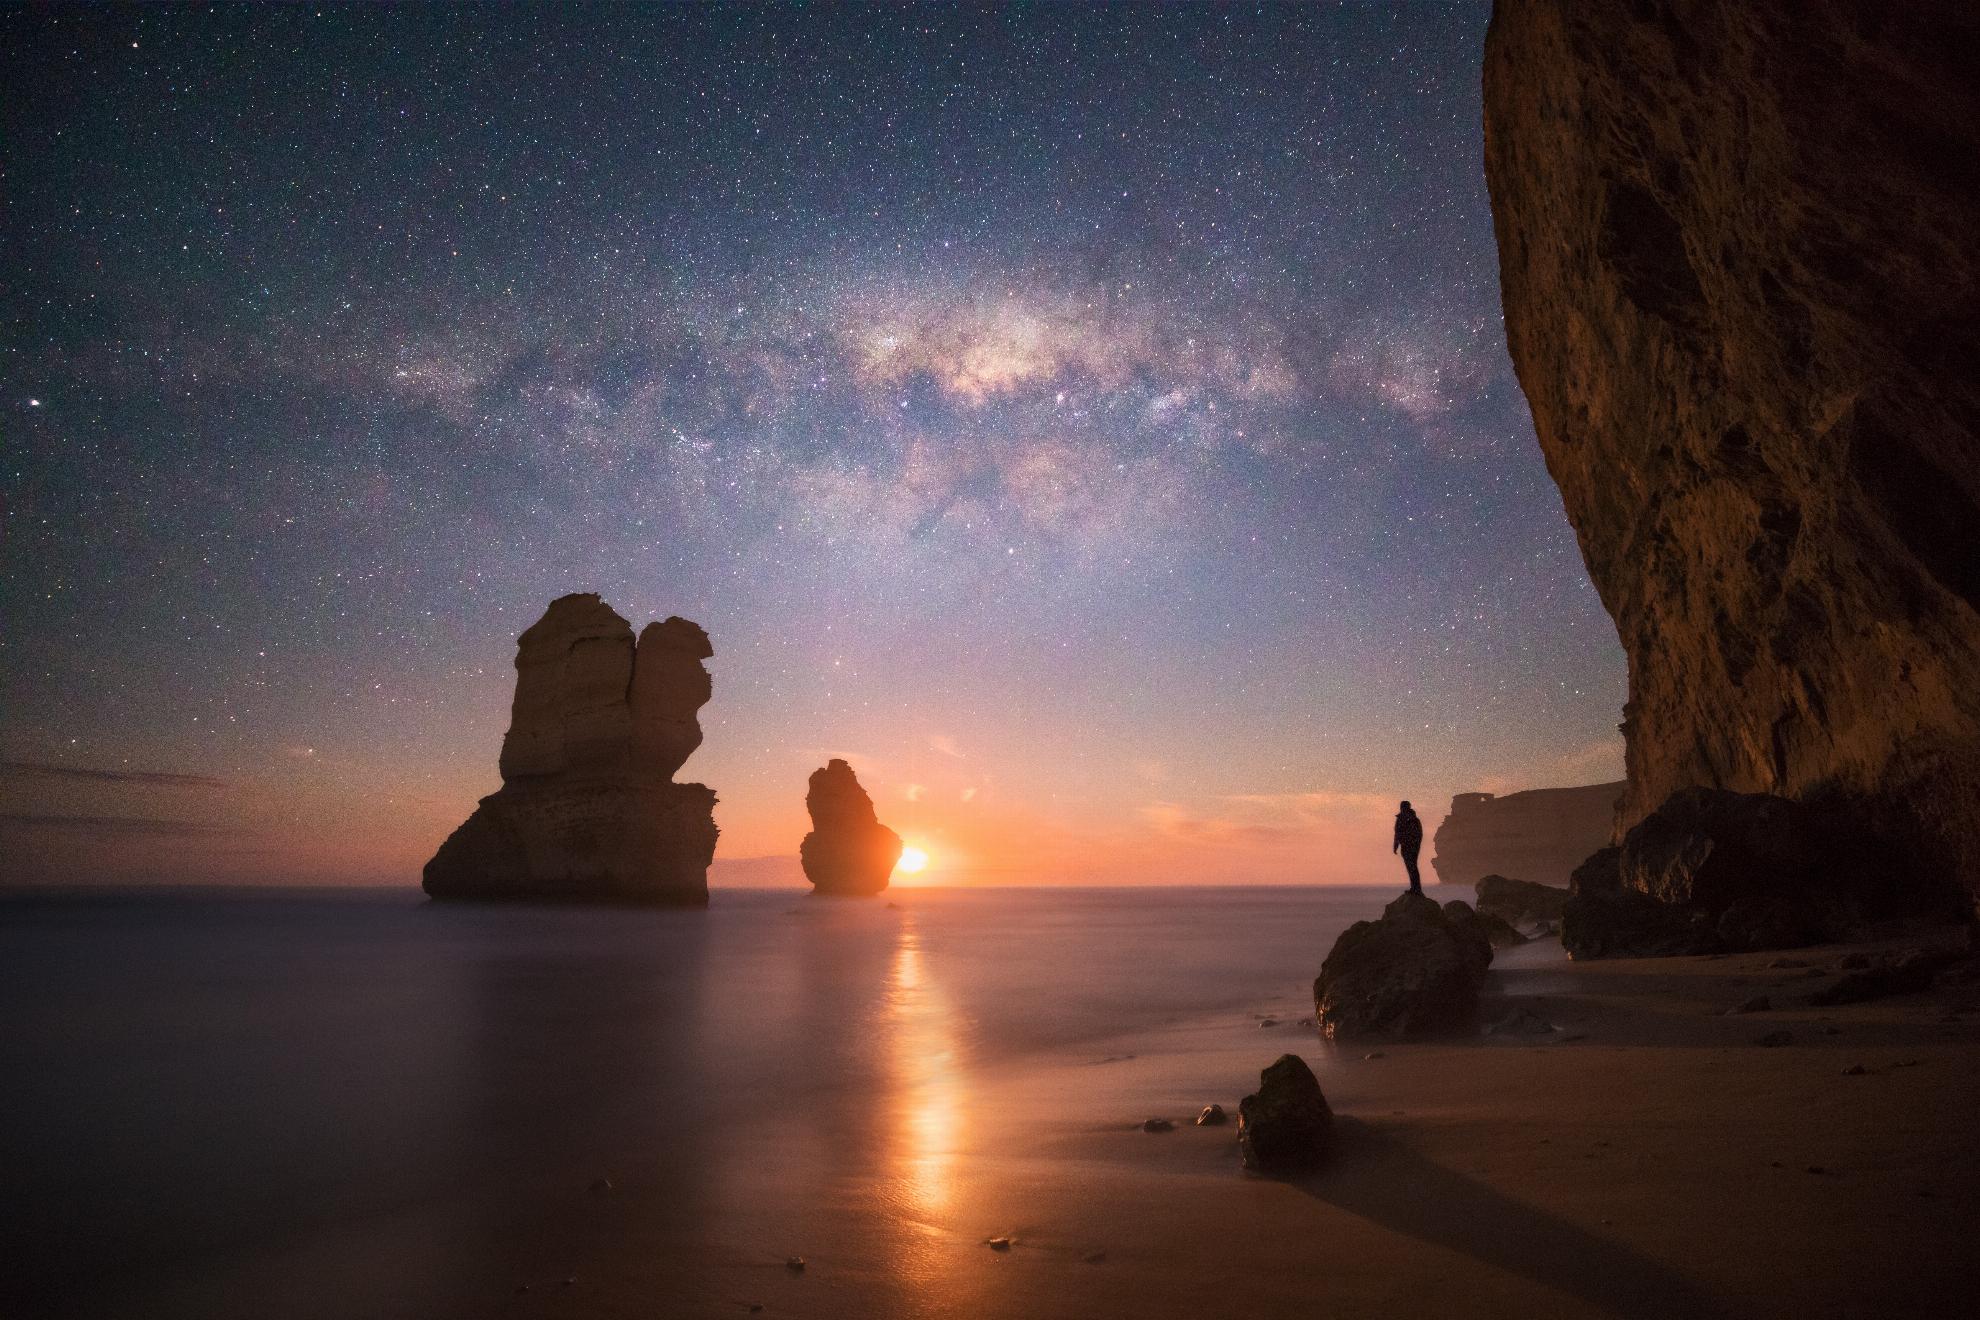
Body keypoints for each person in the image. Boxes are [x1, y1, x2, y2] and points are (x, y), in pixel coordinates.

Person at [1392, 800, 1424, 894]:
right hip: (1408, 848)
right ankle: (1415, 888)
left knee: (1412, 867)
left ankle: (1416, 889)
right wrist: (1396, 845)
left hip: (1410, 848)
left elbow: (1417, 835)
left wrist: (1397, 845)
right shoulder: (1407, 819)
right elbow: (1397, 833)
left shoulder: (1412, 820)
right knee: (1411, 868)